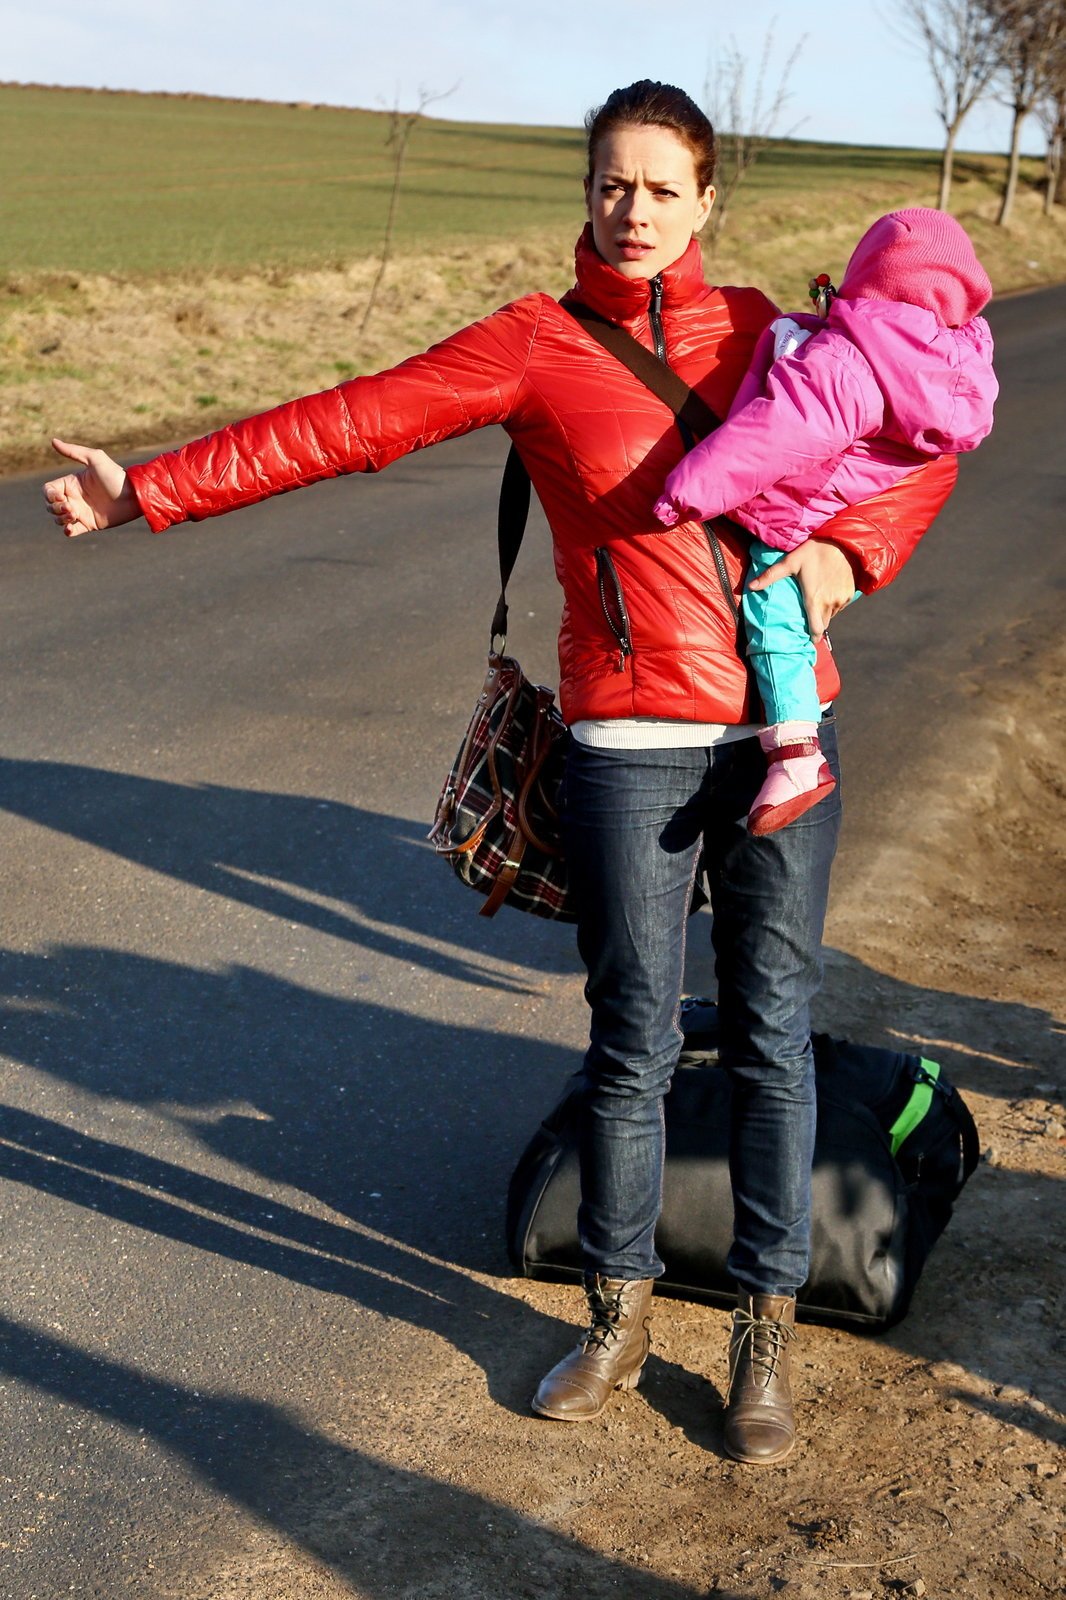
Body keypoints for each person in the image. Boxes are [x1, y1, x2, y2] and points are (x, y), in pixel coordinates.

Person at [43, 81, 957, 1467]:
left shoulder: (772, 329)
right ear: (585, 194)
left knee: (772, 1038)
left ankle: (761, 1334)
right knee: (633, 1039)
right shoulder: (537, 344)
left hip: (781, 736)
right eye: (609, 183)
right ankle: (617, 1314)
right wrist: (149, 491)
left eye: (660, 186)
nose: (632, 209)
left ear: (707, 200)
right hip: (627, 746)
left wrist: (846, 555)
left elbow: (927, 422)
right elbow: (352, 421)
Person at [653, 208, 997, 835]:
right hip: (842, 508)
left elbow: (772, 438)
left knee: (770, 616)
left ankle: (795, 756)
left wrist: (686, 490)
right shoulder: (955, 361)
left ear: (870, 271)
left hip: (789, 511)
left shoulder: (851, 358)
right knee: (796, 618)